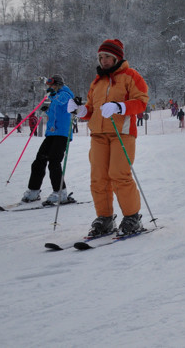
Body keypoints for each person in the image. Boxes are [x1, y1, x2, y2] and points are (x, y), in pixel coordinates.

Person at [68, 39, 149, 238]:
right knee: (98, 178)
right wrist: (80, 110)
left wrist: (120, 107)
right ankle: (104, 218)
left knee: (119, 174)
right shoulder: (97, 82)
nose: (103, 60)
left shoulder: (131, 76)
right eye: (100, 57)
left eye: (107, 57)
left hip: (122, 133)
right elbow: (91, 110)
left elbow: (141, 102)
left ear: (116, 57)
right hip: (98, 135)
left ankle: (132, 217)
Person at [21, 75, 75, 204]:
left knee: (54, 162)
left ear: (58, 84)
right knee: (39, 159)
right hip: (51, 133)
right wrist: (48, 110)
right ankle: (34, 190)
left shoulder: (66, 93)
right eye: (49, 86)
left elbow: (61, 102)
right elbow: (55, 113)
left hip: (62, 133)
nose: (49, 87)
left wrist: (51, 96)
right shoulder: (55, 95)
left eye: (51, 85)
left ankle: (60, 192)